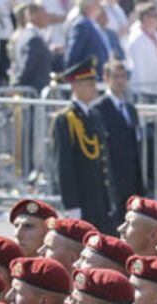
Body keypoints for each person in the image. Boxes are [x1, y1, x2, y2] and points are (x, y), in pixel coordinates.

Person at [51, 56, 112, 231]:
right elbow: (65, 165)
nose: (94, 88)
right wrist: (72, 207)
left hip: (100, 202)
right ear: (76, 86)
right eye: (89, 83)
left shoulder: (94, 115)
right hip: (82, 201)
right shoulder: (65, 119)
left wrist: (108, 200)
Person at [94, 58, 144, 230]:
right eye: (116, 76)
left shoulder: (130, 108)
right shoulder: (99, 108)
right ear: (106, 78)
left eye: (123, 76)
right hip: (112, 178)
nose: (120, 81)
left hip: (131, 177)